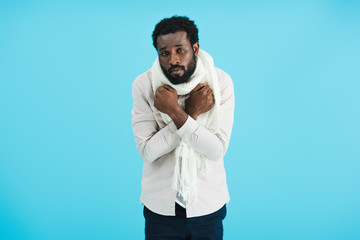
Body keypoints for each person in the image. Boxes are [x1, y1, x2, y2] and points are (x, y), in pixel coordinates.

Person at [131, 16, 235, 240]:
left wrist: (176, 113)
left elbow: (217, 149)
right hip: (160, 208)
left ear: (195, 48)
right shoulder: (144, 85)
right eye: (164, 53)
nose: (173, 60)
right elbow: (147, 151)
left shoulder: (220, 83)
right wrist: (191, 114)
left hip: (208, 206)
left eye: (181, 50)